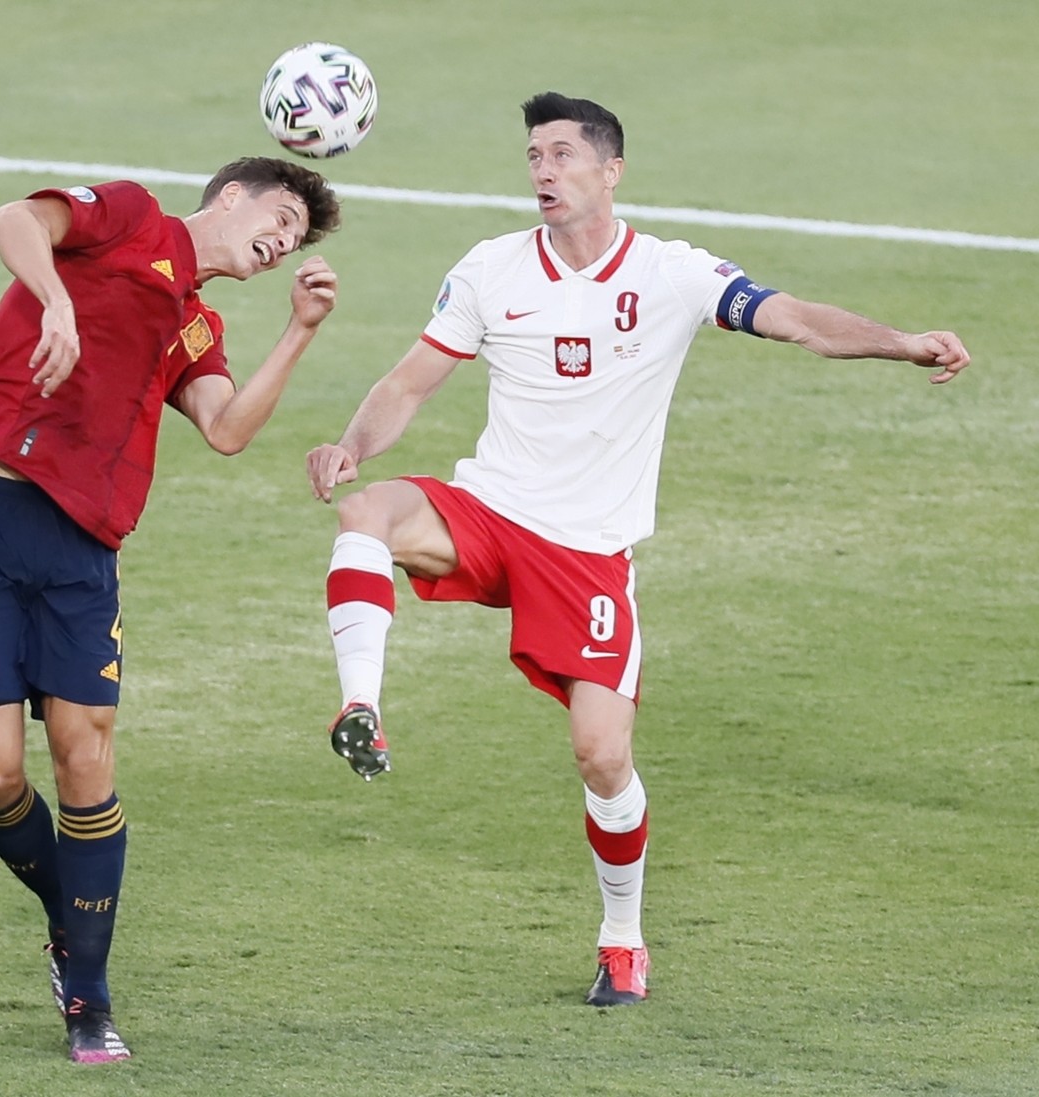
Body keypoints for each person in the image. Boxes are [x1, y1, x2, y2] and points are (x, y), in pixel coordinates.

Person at [305, 92, 969, 1008]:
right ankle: (362, 706)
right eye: (534, 154)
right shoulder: (491, 268)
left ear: (610, 171)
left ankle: (623, 938)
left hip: (588, 553)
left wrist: (904, 343)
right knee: (367, 510)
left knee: (601, 756)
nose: (543, 169)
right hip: (491, 513)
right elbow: (411, 380)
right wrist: (352, 444)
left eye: (564, 154)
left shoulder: (673, 274)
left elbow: (801, 321)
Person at [0, 158, 340, 1063]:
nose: (279, 243)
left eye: (294, 242)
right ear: (229, 195)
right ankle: (73, 913)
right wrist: (58, 304)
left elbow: (226, 429)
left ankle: (90, 996)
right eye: (277, 217)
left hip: (82, 547)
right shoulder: (130, 217)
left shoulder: (195, 324)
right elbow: (12, 219)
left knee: (85, 755)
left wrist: (300, 332)